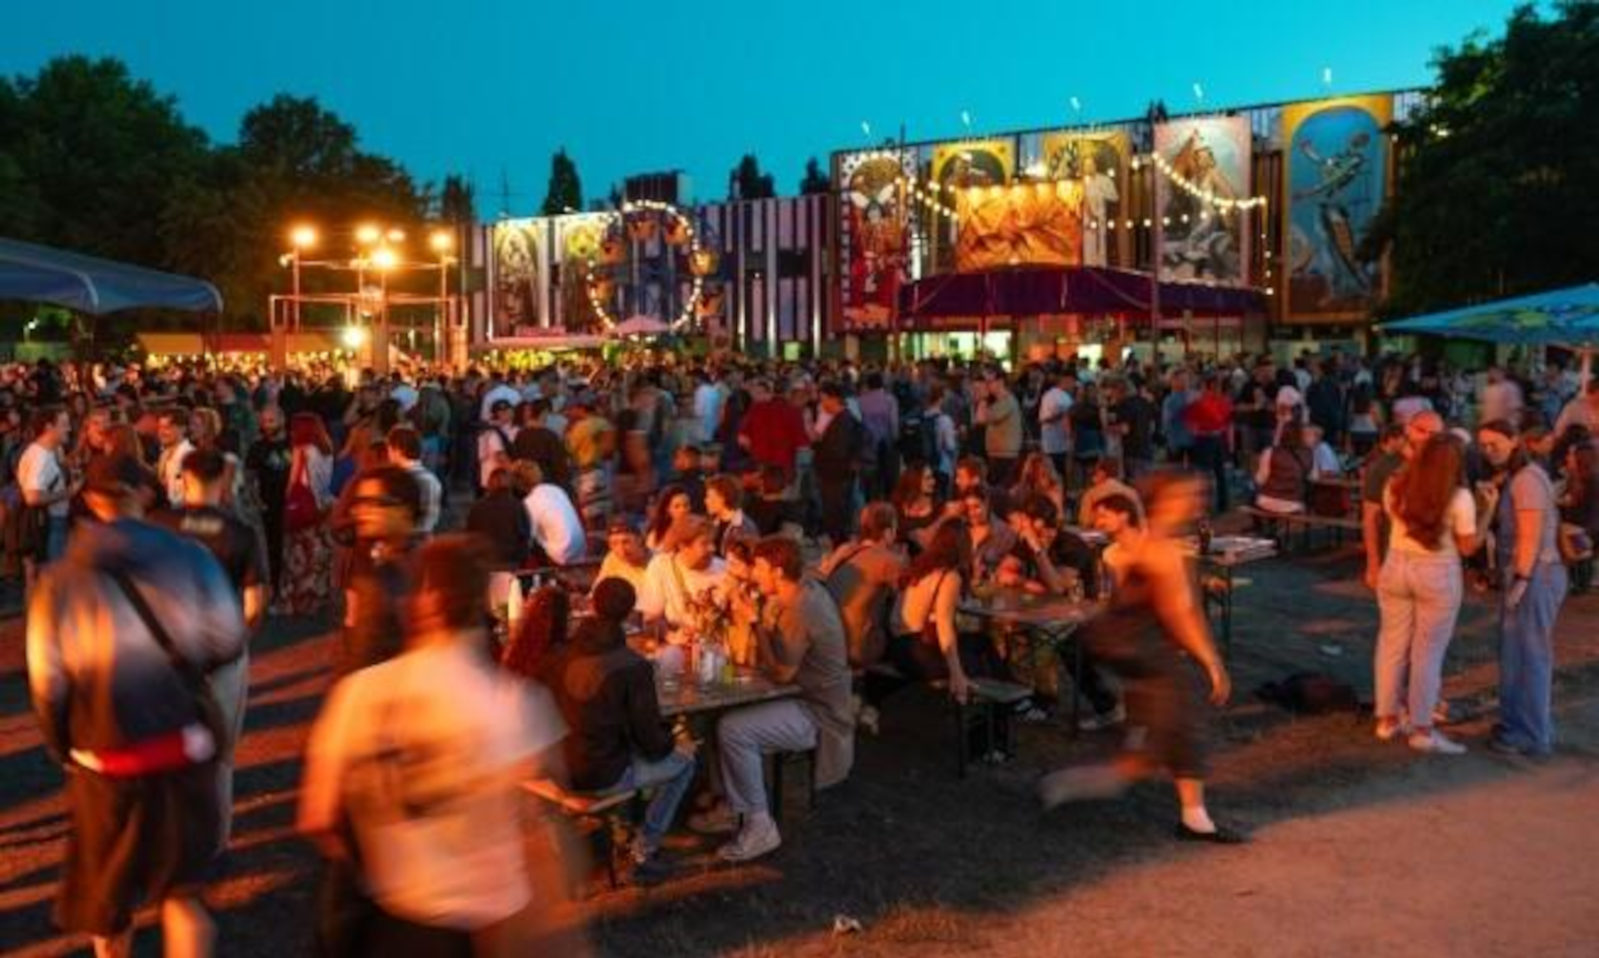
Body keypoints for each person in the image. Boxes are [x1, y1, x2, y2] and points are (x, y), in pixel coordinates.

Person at [298, 535, 565, 956]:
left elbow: (318, 817)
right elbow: (538, 841)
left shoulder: (360, 693)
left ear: (425, 601)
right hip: (484, 924)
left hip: (392, 913)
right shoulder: (517, 706)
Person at [28, 451, 245, 957]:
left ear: (86, 497)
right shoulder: (191, 557)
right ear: (144, 494)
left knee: (110, 907)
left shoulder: (60, 581)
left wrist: (65, 745)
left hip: (107, 758)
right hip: (183, 747)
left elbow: (48, 681)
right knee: (183, 896)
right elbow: (227, 640)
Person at [1038, 480, 1240, 843]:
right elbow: (1182, 616)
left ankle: (1195, 818)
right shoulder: (1161, 552)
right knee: (1156, 747)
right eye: (1187, 497)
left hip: (1134, 655)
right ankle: (1068, 784)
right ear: (1165, 504)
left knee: (1176, 730)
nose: (1196, 504)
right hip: (1150, 656)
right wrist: (1213, 662)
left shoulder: (1131, 551)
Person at [697, 536, 854, 862]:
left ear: (778, 571)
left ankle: (759, 825)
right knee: (720, 716)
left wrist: (756, 625)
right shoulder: (794, 592)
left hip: (820, 712)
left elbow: (781, 672)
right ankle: (731, 805)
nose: (754, 573)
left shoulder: (801, 608)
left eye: (760, 568)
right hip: (803, 695)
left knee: (733, 728)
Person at [537, 578, 695, 883]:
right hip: (602, 774)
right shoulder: (633, 666)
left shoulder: (557, 656)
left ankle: (587, 844)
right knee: (686, 764)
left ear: (593, 604)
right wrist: (673, 740)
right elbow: (650, 742)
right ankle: (643, 851)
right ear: (628, 613)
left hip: (555, 767)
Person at [157, 448, 268, 847]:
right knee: (221, 757)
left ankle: (170, 837)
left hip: (165, 657)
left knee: (166, 750)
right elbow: (255, 604)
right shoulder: (240, 533)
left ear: (183, 478)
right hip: (222, 655)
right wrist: (237, 643)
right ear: (222, 480)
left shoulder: (158, 524)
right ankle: (215, 841)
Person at [1374, 434, 1490, 754]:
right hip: (1437, 569)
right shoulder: (1459, 497)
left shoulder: (1395, 485)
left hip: (1396, 563)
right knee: (1428, 652)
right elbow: (1468, 546)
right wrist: (1489, 511)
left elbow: (1392, 520)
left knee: (1391, 644)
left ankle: (1387, 719)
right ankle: (1422, 728)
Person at [1478, 421, 1567, 756]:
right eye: (1483, 444)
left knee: (1528, 655)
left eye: (1495, 442)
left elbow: (1529, 536)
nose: (1489, 449)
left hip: (1535, 576)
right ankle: (1518, 723)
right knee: (1516, 653)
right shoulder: (1523, 476)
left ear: (1514, 441)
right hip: (1533, 575)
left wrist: (1521, 581)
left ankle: (1530, 734)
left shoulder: (1526, 480)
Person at [340, 464, 424, 674]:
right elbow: (355, 628)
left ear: (404, 511)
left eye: (373, 503)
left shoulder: (425, 570)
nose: (359, 512)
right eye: (358, 503)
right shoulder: (366, 556)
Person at [817, 502, 906, 678]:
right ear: (888, 532)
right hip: (859, 648)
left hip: (832, 642)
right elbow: (907, 600)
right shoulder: (889, 561)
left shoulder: (847, 551)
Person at [637, 514, 728, 637]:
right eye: (704, 544)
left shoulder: (725, 568)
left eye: (712, 542)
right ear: (683, 546)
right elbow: (650, 619)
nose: (712, 548)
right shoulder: (662, 566)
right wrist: (671, 636)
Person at [281, 412, 335, 616]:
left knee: (298, 555)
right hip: (322, 505)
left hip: (303, 504)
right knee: (317, 556)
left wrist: (287, 501)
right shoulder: (327, 447)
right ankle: (317, 599)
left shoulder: (301, 449)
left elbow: (294, 479)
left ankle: (295, 601)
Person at [17, 405, 79, 582]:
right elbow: (32, 497)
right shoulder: (40, 457)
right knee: (54, 582)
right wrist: (68, 492)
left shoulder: (44, 451)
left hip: (51, 524)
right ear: (48, 427)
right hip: (51, 526)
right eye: (64, 424)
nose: (69, 428)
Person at [811, 382, 866, 547]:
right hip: (838, 475)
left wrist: (818, 445)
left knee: (836, 515)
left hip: (835, 476)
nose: (821, 404)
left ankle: (839, 547)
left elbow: (838, 451)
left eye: (823, 400)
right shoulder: (844, 418)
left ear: (833, 399)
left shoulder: (843, 422)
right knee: (839, 514)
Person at [245, 405, 292, 597]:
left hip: (294, 504)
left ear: (282, 420)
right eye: (263, 422)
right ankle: (276, 590)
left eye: (271, 421)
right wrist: (257, 501)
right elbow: (249, 477)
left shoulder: (295, 443)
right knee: (274, 549)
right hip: (270, 506)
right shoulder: (257, 447)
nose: (266, 425)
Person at [514, 460, 588, 567]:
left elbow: (528, 539)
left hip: (561, 554)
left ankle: (544, 576)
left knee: (527, 539)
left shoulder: (529, 502)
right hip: (580, 547)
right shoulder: (555, 488)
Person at [465, 466, 533, 569]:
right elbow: (525, 538)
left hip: (483, 563)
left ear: (489, 485)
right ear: (510, 486)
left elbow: (469, 536)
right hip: (510, 564)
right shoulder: (518, 506)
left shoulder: (477, 507)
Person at [386, 426, 442, 536]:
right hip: (426, 541)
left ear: (397, 450)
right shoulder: (433, 480)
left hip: (402, 541)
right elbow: (432, 519)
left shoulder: (397, 480)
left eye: (389, 450)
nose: (388, 455)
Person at [1253, 423, 1315, 515]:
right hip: (1294, 504)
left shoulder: (1270, 451)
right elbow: (1313, 477)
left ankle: (1262, 526)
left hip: (1266, 501)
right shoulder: (1308, 453)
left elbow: (1260, 480)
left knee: (1251, 492)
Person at [978, 370, 1023, 487]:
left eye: (990, 382)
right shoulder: (999, 402)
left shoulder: (1007, 401)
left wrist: (983, 398)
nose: (987, 386)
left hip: (1004, 456)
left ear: (1000, 382)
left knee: (999, 490)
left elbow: (981, 419)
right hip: (998, 454)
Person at [1078, 457, 1144, 529]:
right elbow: (1142, 524)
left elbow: (1084, 522)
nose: (1093, 477)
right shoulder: (1132, 492)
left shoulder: (1091, 494)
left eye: (1096, 472)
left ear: (1102, 473)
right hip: (1127, 538)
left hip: (1101, 537)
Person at [704, 473, 758, 556]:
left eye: (709, 496)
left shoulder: (744, 526)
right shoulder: (711, 522)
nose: (706, 501)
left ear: (723, 498)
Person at [595, 515, 651, 594]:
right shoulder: (612, 559)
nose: (621, 550)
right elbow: (598, 591)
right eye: (614, 544)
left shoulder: (657, 562)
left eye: (626, 542)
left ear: (640, 539)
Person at [155, 409, 195, 508]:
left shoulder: (190, 454)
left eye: (167, 428)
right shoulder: (164, 454)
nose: (161, 432)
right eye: (160, 427)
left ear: (183, 429)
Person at [1039, 370, 1075, 480]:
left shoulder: (1050, 395)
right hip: (1057, 444)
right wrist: (1063, 414)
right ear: (1065, 381)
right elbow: (1044, 419)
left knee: (1057, 476)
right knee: (1058, 476)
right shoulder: (1059, 397)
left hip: (1054, 443)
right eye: (1072, 382)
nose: (1073, 385)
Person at [476, 398, 518, 492]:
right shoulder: (491, 432)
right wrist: (517, 474)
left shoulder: (507, 429)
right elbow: (500, 456)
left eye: (507, 410)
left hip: (497, 479)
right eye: (502, 411)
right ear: (496, 414)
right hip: (495, 479)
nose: (506, 413)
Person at [644, 485, 693, 553]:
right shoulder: (657, 534)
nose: (683, 510)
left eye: (686, 505)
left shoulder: (697, 529)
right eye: (677, 506)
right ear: (667, 509)